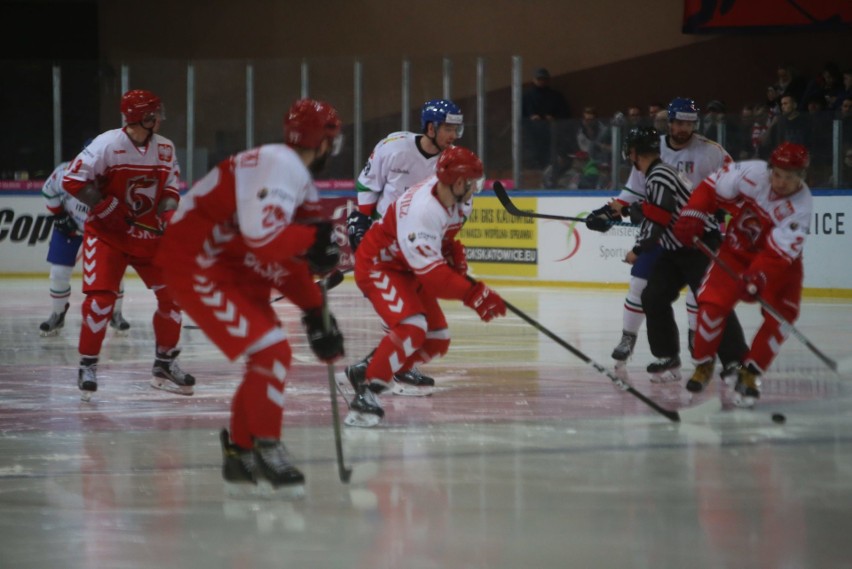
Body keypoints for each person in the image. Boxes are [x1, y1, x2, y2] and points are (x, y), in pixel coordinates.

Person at [155, 99, 345, 494]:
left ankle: (240, 453)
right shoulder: (282, 166)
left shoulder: (290, 172)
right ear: (323, 142)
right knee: (272, 351)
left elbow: (285, 254)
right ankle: (266, 445)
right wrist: (313, 240)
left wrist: (314, 309)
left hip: (232, 262)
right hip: (200, 262)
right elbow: (267, 238)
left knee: (269, 354)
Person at [342, 146, 506, 427]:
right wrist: (473, 293)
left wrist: (450, 249)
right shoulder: (422, 210)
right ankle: (367, 393)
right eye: (472, 184)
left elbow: (441, 240)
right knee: (412, 327)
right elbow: (432, 277)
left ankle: (367, 369)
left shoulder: (454, 198)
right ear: (457, 182)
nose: (475, 190)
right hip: (379, 265)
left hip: (406, 267)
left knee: (436, 339)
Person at [586, 98, 737, 377]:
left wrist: (725, 215)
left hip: (695, 235)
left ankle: (706, 343)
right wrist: (608, 212)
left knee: (703, 293)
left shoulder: (711, 153)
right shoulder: (652, 151)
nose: (683, 128)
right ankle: (638, 341)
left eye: (689, 123)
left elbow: (733, 188)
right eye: (678, 122)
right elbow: (635, 194)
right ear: (669, 122)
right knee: (643, 288)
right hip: (665, 235)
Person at [62, 89, 194, 401]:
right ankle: (88, 365)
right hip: (108, 236)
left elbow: (171, 187)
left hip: (150, 237)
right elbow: (72, 179)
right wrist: (105, 206)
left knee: (172, 299)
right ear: (142, 117)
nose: (159, 118)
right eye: (154, 114)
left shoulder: (165, 148)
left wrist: (168, 213)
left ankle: (164, 364)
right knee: (101, 302)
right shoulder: (107, 144)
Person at [674, 143, 812, 408]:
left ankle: (751, 372)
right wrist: (693, 211)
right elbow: (711, 187)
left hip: (779, 264)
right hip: (736, 252)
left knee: (781, 318)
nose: (783, 183)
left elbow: (777, 255)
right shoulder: (751, 173)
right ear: (770, 169)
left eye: (792, 177)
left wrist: (758, 276)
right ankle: (703, 363)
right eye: (779, 174)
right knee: (712, 306)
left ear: (802, 177)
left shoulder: (801, 207)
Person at [346, 99, 464, 395]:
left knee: (416, 314)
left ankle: (389, 364)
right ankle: (386, 367)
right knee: (406, 313)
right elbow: (368, 183)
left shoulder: (450, 162)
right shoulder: (394, 146)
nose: (453, 135)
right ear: (430, 127)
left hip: (415, 242)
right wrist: (360, 220)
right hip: (384, 239)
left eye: (456, 129)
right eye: (448, 128)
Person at [616, 126, 748, 383]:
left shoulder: (659, 175)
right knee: (653, 296)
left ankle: (734, 361)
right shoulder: (656, 173)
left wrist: (638, 250)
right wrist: (621, 211)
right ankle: (668, 356)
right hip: (675, 246)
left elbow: (659, 217)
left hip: (699, 245)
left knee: (711, 302)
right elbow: (652, 207)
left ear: (634, 153)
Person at [39, 157, 131, 337]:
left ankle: (115, 312)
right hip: (70, 228)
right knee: (58, 272)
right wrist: (59, 216)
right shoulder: (65, 172)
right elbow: (48, 190)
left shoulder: (115, 176)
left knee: (114, 272)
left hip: (102, 230)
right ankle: (57, 313)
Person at [521, 68, 569, 169]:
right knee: (534, 155)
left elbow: (565, 113)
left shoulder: (556, 96)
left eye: (544, 79)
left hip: (551, 133)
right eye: (539, 79)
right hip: (532, 134)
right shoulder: (527, 97)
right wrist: (531, 117)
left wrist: (553, 118)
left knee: (550, 154)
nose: (541, 81)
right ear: (534, 80)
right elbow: (520, 114)